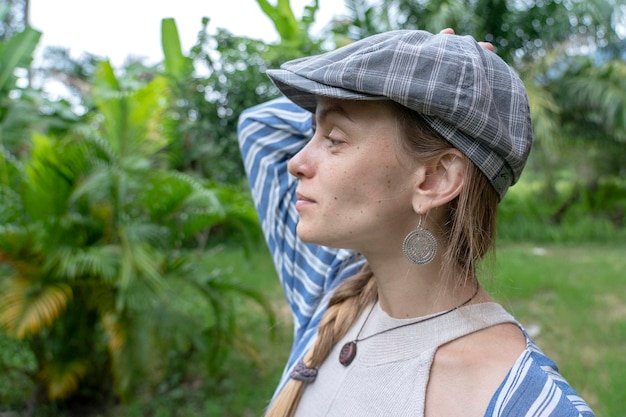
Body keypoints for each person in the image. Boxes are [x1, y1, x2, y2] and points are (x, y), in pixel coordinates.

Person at [237, 29, 595, 417]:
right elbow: (258, 129)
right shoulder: (337, 290)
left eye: (335, 139)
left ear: (434, 180)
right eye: (313, 132)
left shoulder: (525, 404)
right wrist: (403, 58)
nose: (296, 163)